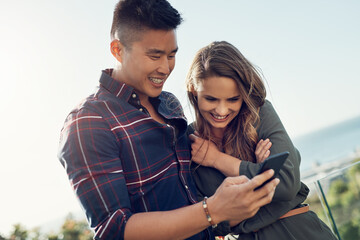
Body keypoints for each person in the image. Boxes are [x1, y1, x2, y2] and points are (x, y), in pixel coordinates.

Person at [57, 1, 280, 239]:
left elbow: (194, 184)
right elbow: (113, 229)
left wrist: (251, 162)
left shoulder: (169, 103)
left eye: (171, 55)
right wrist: (212, 211)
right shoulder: (88, 122)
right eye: (155, 56)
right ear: (118, 50)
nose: (165, 68)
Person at [186, 41, 337, 239]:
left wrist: (216, 160)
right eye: (211, 99)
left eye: (233, 99)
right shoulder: (188, 141)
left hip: (300, 231)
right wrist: (259, 173)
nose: (221, 111)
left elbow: (286, 184)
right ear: (193, 90)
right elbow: (206, 223)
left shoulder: (260, 113)